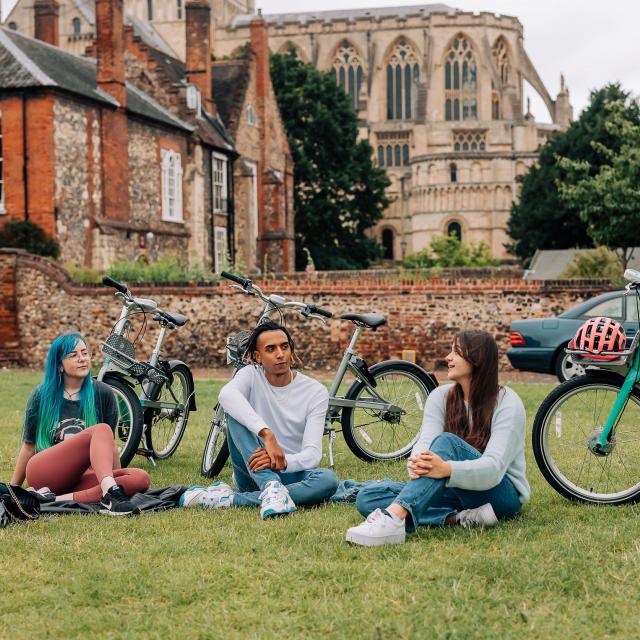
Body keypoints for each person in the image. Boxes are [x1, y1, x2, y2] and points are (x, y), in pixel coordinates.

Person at [345, 330, 530, 546]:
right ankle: (457, 519)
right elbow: (423, 445)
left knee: (447, 442)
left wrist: (447, 470)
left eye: (456, 352)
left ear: (477, 358)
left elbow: (494, 469)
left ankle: (394, 518)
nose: (448, 358)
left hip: (498, 496)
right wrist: (416, 464)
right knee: (368, 497)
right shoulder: (440, 397)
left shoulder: (508, 403)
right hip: (452, 489)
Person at [181, 321, 338, 518]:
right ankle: (270, 486)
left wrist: (280, 461)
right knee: (235, 412)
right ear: (257, 356)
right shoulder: (250, 375)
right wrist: (266, 433)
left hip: (290, 471)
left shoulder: (315, 391)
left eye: (284, 346)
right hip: (253, 471)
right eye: (270, 349)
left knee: (328, 480)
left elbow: (313, 454)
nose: (280, 354)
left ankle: (230, 499)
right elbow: (226, 395)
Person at [10, 332, 150, 515]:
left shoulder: (103, 393)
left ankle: (55, 499)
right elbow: (29, 446)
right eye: (73, 355)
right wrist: (13, 490)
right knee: (102, 429)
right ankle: (109, 492)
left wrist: (116, 480)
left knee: (140, 478)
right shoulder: (41, 395)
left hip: (79, 478)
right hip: (44, 473)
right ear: (59, 364)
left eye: (85, 353)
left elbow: (110, 447)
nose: (82, 359)